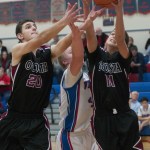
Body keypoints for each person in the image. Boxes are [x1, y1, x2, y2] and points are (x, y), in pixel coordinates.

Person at [0, 3, 81, 150]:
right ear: (20, 36)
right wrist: (64, 21)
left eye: (34, 26)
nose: (34, 28)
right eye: (28, 27)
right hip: (13, 117)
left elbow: (61, 45)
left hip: (37, 120)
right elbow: (41, 39)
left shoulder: (47, 53)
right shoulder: (18, 50)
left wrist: (78, 28)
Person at [85, 0, 143, 149]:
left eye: (117, 35)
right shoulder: (96, 55)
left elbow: (120, 38)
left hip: (124, 115)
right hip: (102, 118)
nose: (113, 36)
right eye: (111, 33)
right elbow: (90, 34)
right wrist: (86, 6)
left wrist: (119, 11)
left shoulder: (123, 57)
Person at [56, 1, 103, 150]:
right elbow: (78, 56)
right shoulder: (69, 74)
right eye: (70, 51)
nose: (75, 52)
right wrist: (77, 33)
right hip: (71, 136)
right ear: (64, 61)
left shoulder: (86, 73)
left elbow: (91, 43)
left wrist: (88, 16)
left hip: (88, 131)